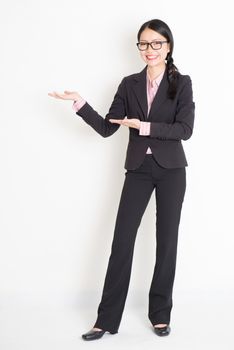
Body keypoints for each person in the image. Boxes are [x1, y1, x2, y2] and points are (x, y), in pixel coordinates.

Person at [48, 18, 195, 341]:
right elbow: (107, 127)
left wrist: (142, 126)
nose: (150, 49)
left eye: (157, 43)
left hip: (172, 171)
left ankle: (160, 314)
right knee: (122, 242)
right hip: (139, 171)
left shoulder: (181, 83)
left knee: (166, 243)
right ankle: (106, 320)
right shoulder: (129, 84)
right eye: (144, 43)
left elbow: (185, 129)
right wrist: (80, 104)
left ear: (168, 47)